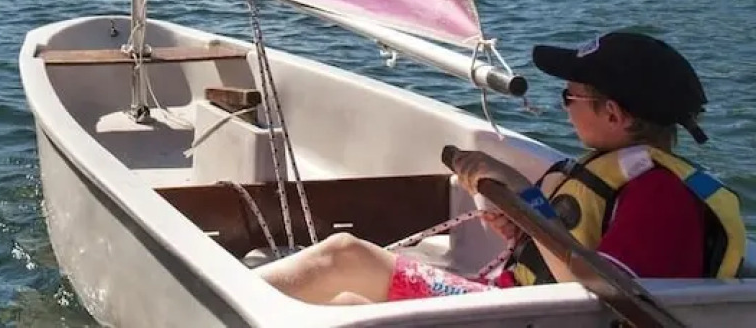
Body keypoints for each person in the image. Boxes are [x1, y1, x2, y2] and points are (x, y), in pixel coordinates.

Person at [255, 31, 745, 305]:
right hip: (510, 306)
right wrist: (521, 231)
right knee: (344, 304)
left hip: (510, 316)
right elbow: (575, 262)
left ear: (614, 114)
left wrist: (526, 202)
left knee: (342, 258)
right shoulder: (634, 181)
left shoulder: (660, 199)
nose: (564, 107)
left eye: (569, 96)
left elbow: (605, 294)